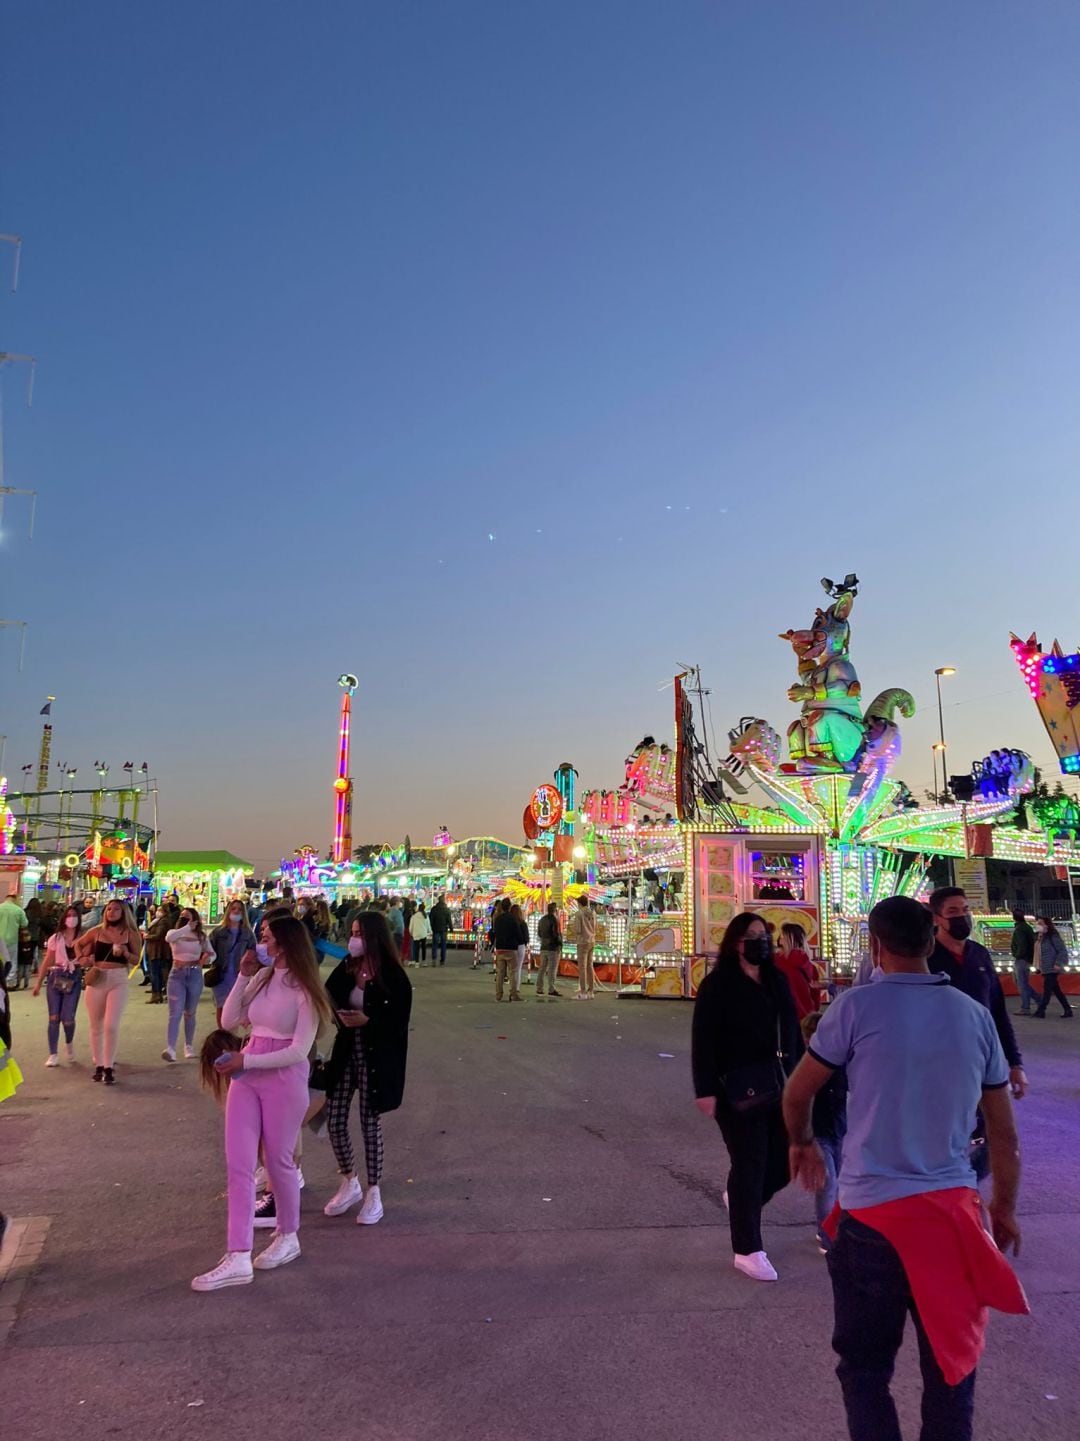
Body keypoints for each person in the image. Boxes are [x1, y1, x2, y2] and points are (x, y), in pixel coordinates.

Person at [783, 896, 1026, 1441]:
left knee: (865, 1370)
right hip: (951, 1218)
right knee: (951, 1369)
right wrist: (1004, 1206)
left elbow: (797, 1094)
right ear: (932, 940)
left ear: (875, 945)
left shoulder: (854, 1009)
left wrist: (802, 1143)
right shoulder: (974, 1016)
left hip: (870, 1218)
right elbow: (1004, 1134)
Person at [191, 914, 333, 1291]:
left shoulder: (305, 991)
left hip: (283, 1078)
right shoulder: (263, 977)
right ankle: (238, 1254)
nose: (261, 942)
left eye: (267, 937)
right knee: (239, 1163)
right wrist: (242, 975)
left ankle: (289, 1235)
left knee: (278, 1161)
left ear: (285, 943)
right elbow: (230, 1018)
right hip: (247, 1072)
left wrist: (246, 1061)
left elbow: (299, 1050)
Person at [691, 912, 800, 1282]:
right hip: (734, 1088)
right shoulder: (718, 985)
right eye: (752, 936)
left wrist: (803, 1078)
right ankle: (748, 1249)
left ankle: (740, 1200)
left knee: (786, 1162)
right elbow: (702, 1041)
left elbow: (793, 1035)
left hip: (778, 1082)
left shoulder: (776, 979)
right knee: (750, 1162)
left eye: (763, 935)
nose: (760, 941)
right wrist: (704, 1090)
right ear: (736, 943)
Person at [322, 910, 412, 1225]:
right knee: (334, 1117)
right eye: (353, 932)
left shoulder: (393, 975)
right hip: (347, 1050)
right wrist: (340, 1016)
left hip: (377, 1055)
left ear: (374, 937)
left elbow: (399, 1021)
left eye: (359, 933)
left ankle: (374, 1190)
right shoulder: (348, 966)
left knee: (368, 1122)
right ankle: (349, 1179)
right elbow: (327, 993)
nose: (354, 939)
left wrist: (368, 1020)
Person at [75, 898, 141, 1085]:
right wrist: (82, 959)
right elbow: (77, 944)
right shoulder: (96, 931)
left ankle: (109, 1066)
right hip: (97, 978)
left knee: (110, 1025)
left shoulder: (131, 933)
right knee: (95, 1025)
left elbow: (137, 960)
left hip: (118, 979)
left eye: (116, 909)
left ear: (124, 913)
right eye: (109, 909)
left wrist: (126, 954)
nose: (111, 912)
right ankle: (99, 1064)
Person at [799, 1009, 846, 1253]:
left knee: (837, 1184)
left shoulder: (839, 1061)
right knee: (828, 1183)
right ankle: (827, 1236)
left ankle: (832, 1231)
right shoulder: (805, 1066)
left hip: (838, 1128)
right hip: (818, 1132)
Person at [32, 903, 84, 1066]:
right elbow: (48, 960)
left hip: (73, 978)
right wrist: (38, 983)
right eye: (68, 916)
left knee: (68, 1019)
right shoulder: (56, 938)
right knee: (54, 1017)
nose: (71, 919)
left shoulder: (83, 938)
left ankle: (69, 1043)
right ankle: (53, 1054)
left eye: (74, 915)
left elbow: (88, 957)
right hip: (56, 977)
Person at [162, 908, 213, 1063]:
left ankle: (188, 1046)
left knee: (190, 1012)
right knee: (175, 1012)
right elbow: (168, 938)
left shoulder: (201, 936)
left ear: (195, 919)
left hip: (195, 973)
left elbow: (212, 953)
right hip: (177, 973)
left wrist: (207, 958)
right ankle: (170, 1048)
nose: (184, 918)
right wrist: (186, 927)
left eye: (188, 917)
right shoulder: (175, 933)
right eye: (182, 916)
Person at [209, 902, 256, 1025]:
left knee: (236, 1006)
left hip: (239, 975)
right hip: (221, 975)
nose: (236, 911)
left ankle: (232, 1036)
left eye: (239, 909)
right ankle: (223, 1036)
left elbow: (254, 951)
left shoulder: (247, 933)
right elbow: (208, 949)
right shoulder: (218, 932)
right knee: (221, 1006)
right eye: (233, 908)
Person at [774, 922, 818, 1021]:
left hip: (783, 1015)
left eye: (782, 935)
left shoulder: (776, 962)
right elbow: (815, 994)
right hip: (806, 1016)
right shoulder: (809, 965)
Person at [1032, 915, 1073, 1018]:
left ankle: (1041, 1010)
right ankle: (1067, 1010)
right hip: (1045, 968)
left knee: (1047, 990)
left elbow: (1062, 950)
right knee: (1056, 990)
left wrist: (1058, 963)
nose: (1038, 925)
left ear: (1047, 925)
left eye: (1041, 923)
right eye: (1038, 923)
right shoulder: (1040, 937)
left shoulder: (1052, 936)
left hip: (1052, 967)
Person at [144, 901, 177, 1004]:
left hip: (159, 951)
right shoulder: (160, 921)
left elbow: (159, 935)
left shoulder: (163, 921)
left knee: (156, 973)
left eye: (159, 910)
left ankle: (157, 994)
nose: (157, 912)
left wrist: (147, 936)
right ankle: (158, 993)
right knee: (158, 973)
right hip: (157, 950)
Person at [1009, 909, 1039, 1015]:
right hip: (1026, 958)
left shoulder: (1020, 929)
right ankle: (1039, 1000)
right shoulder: (1026, 927)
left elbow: (1022, 945)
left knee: (1022, 983)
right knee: (1022, 982)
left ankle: (1026, 1007)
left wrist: (1017, 955)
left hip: (1022, 959)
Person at [492, 898, 521, 1002]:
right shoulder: (513, 919)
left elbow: (495, 932)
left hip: (500, 948)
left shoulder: (498, 919)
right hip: (511, 948)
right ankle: (513, 994)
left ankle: (498, 995)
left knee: (500, 973)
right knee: (512, 972)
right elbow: (518, 933)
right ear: (509, 907)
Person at [569, 895, 598, 999]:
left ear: (580, 903)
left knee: (582, 967)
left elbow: (578, 929)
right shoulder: (593, 913)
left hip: (582, 942)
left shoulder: (579, 914)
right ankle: (591, 991)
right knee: (590, 966)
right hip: (592, 940)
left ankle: (583, 992)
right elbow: (596, 927)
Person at [0, 891, 27, 986]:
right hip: (12, 939)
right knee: (11, 961)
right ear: (14, 899)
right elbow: (24, 923)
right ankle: (10, 982)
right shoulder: (18, 910)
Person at [536, 903, 563, 997]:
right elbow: (555, 934)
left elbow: (539, 933)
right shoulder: (554, 920)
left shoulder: (542, 920)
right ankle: (551, 989)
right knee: (552, 969)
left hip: (543, 946)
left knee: (542, 968)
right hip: (552, 947)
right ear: (555, 910)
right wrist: (559, 944)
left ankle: (539, 988)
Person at [510, 904, 530, 993]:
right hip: (520, 946)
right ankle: (516, 987)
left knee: (511, 968)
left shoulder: (510, 922)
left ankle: (512, 986)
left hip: (510, 946)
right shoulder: (522, 923)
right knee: (518, 968)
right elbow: (526, 937)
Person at [429, 894, 451, 967]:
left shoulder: (434, 909)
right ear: (444, 900)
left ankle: (434, 959)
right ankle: (442, 961)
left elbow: (431, 919)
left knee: (435, 944)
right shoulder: (446, 909)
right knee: (443, 945)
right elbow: (449, 920)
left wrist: (431, 928)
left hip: (435, 929)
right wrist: (451, 928)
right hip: (444, 929)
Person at [409, 902, 431, 966]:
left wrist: (411, 932)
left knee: (416, 948)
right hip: (423, 934)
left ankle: (417, 962)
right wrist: (430, 931)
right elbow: (428, 925)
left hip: (416, 934)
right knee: (424, 948)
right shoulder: (426, 916)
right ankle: (424, 962)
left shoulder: (414, 916)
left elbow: (411, 926)